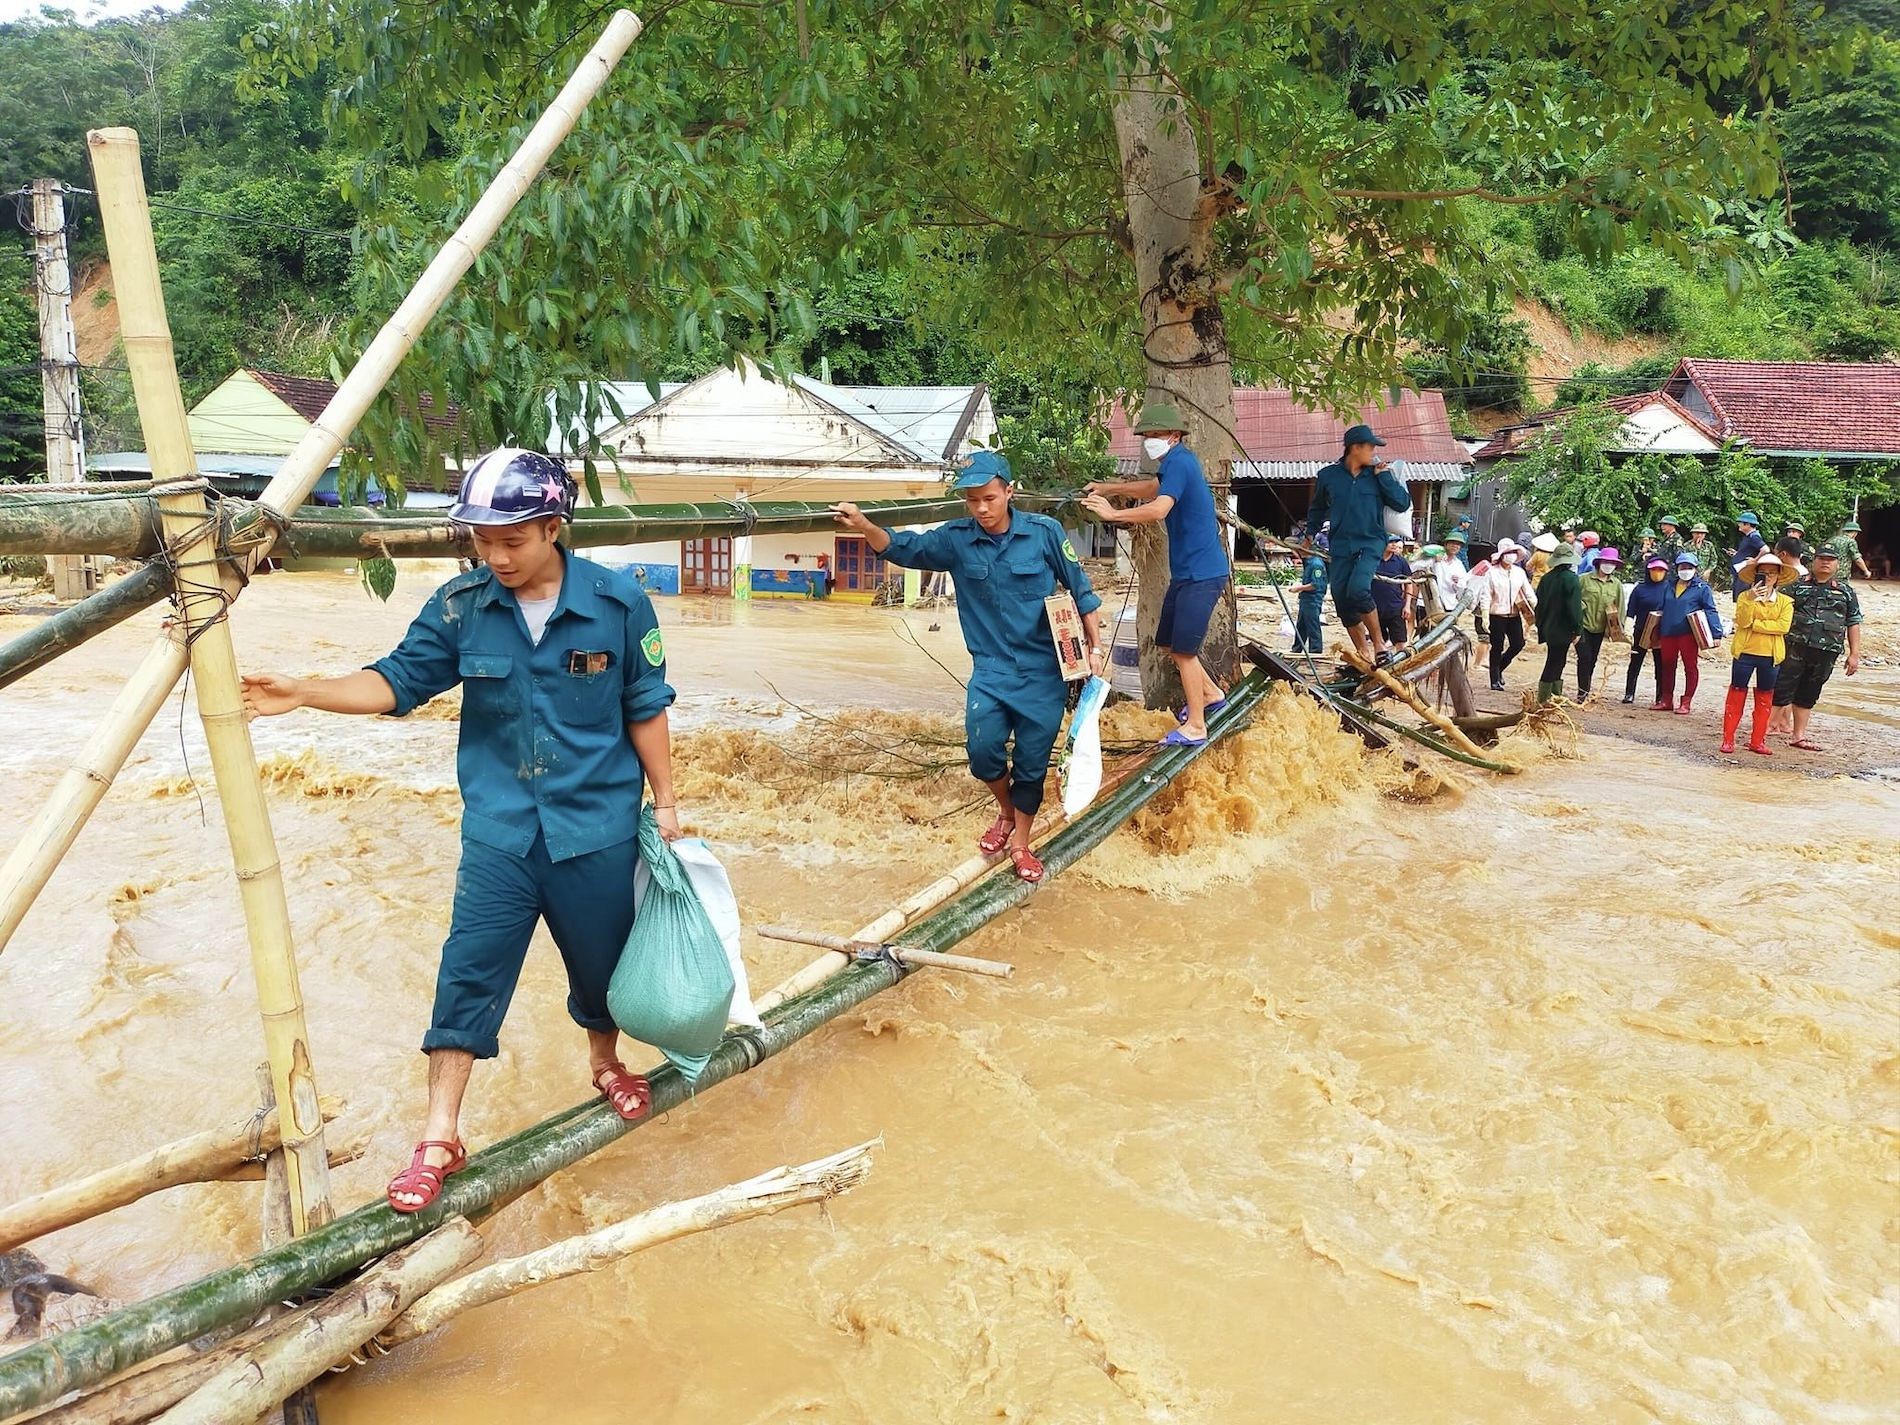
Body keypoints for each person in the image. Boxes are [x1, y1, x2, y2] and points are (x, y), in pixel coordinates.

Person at [240, 448, 680, 1214]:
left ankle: (604, 1062)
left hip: (598, 828)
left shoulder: (619, 604)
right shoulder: (460, 605)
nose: (496, 554)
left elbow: (646, 704)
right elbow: (394, 681)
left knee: (604, 968)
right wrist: (305, 690)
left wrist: (667, 803)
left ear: (553, 526)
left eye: (512, 539)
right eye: (482, 538)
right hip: (501, 836)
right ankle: (440, 1132)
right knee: (467, 974)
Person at [845, 451, 1105, 880]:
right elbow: (903, 548)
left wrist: (1095, 650)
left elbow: (1083, 591)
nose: (981, 508)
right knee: (982, 752)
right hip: (991, 672)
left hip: (1045, 674)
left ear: (1009, 491)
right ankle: (1005, 812)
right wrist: (865, 526)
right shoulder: (956, 539)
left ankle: (1020, 841)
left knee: (1032, 764)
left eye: (988, 498)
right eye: (972, 501)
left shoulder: (1044, 533)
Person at [1083, 403, 1229, 739]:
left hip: (1203, 574)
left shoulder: (1179, 460)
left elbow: (1160, 507)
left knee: (1185, 651)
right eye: (1146, 436)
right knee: (1167, 643)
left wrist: (1113, 515)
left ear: (1174, 436)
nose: (1150, 441)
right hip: (1187, 574)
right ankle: (1210, 694)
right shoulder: (1174, 464)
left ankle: (1196, 725)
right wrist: (1108, 487)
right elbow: (1153, 489)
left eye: (1156, 435)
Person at [1303, 422, 1411, 665]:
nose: (1374, 452)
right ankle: (1363, 652)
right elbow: (1318, 509)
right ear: (1355, 448)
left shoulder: (1377, 475)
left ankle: (1380, 645)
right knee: (1341, 597)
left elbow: (1402, 504)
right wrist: (1309, 536)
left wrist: (1384, 477)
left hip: (1371, 542)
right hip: (1340, 545)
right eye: (1371, 447)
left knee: (1359, 589)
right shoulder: (1327, 476)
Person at [1772, 545, 1865, 751]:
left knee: (1809, 693)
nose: (1825, 562)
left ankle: (1798, 736)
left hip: (1826, 651)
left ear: (1837, 564)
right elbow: (1776, 609)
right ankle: (1764, 729)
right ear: (1812, 562)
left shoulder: (1846, 591)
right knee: (1781, 687)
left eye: (1830, 559)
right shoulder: (1795, 586)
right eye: (1821, 558)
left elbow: (1853, 621)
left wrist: (1854, 654)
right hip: (1794, 647)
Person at [1722, 549, 1797, 755]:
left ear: (1779, 576)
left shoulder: (1786, 602)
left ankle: (1758, 741)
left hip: (1770, 655)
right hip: (1745, 652)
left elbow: (1783, 627)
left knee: (1765, 698)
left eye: (1772, 573)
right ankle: (1728, 740)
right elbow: (1743, 621)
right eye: (1763, 572)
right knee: (1736, 693)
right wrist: (1752, 601)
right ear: (1755, 575)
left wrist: (1755, 623)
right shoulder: (1745, 597)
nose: (1768, 577)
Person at [1655, 550, 1723, 714]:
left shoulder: (1702, 588)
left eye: (1689, 566)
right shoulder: (1669, 585)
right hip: (1668, 631)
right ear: (1677, 568)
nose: (1685, 569)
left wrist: (1716, 633)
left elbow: (1710, 610)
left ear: (1695, 568)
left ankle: (1686, 702)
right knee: (1667, 666)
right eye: (1682, 566)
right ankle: (1666, 700)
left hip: (1688, 634)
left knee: (1690, 667)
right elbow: (1660, 607)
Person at [1533, 543, 1583, 703]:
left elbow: (1538, 605)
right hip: (1564, 628)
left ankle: (1553, 696)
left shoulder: (1546, 579)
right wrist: (1578, 629)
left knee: (1556, 659)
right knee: (1555, 661)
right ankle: (1545, 698)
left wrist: (1540, 625)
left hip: (1548, 626)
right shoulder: (1572, 579)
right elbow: (1574, 608)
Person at [1483, 538, 1535, 690]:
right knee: (1497, 646)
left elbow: (1528, 592)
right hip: (1496, 615)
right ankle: (1494, 679)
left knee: (1518, 644)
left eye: (1513, 552)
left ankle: (1499, 668)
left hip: (1514, 615)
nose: (1510, 556)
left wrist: (1535, 607)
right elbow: (1485, 595)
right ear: (1501, 555)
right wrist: (1485, 615)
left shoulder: (1519, 573)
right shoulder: (1492, 573)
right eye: (1507, 553)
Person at [1574, 546, 1625, 702]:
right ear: (1599, 562)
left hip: (1600, 629)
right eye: (1606, 562)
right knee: (1584, 657)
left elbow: (1620, 606)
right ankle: (1582, 692)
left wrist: (1617, 629)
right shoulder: (1583, 579)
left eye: (1612, 563)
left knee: (1592, 660)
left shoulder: (1616, 584)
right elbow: (1573, 601)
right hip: (1583, 626)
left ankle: (1585, 688)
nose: (1608, 565)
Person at [1623, 557, 1670, 704]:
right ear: (1648, 571)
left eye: (1661, 570)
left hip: (1661, 632)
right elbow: (1630, 611)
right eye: (1654, 570)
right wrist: (1628, 628)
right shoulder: (1639, 589)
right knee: (1635, 662)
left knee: (1661, 665)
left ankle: (1660, 696)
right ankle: (1629, 693)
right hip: (1641, 630)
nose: (1657, 573)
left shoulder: (1670, 588)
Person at [1372, 532, 1411, 652]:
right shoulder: (1372, 560)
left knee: (1400, 642)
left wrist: (1407, 605)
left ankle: (1403, 667)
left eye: (1396, 542)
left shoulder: (1401, 561)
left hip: (1395, 607)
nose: (1394, 545)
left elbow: (1408, 583)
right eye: (1390, 542)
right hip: (1374, 607)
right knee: (1378, 641)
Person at [1291, 542, 1329, 654]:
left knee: (1312, 625)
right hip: (1305, 598)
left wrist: (1298, 588)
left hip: (1313, 598)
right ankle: (1297, 648)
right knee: (1301, 625)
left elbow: (1315, 585)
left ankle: (1315, 650)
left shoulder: (1316, 564)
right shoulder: (1308, 563)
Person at [1729, 511, 1765, 600]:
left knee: (1743, 598)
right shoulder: (1748, 537)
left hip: (1746, 573)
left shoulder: (1754, 537)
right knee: (1739, 598)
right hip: (1740, 572)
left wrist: (1756, 560)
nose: (1739, 525)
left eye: (1740, 523)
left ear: (1747, 524)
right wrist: (1737, 554)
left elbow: (1765, 549)